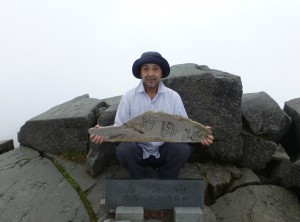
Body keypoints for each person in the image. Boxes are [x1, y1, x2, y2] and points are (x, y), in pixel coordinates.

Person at [90, 51, 214, 178]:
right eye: (146, 69)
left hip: (164, 150)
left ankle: (165, 181)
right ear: (140, 73)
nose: (150, 74)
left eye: (155, 69)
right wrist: (103, 134)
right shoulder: (129, 97)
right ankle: (140, 182)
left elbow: (184, 128)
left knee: (182, 149)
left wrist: (201, 134)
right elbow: (119, 127)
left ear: (161, 73)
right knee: (124, 149)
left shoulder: (173, 97)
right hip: (138, 150)